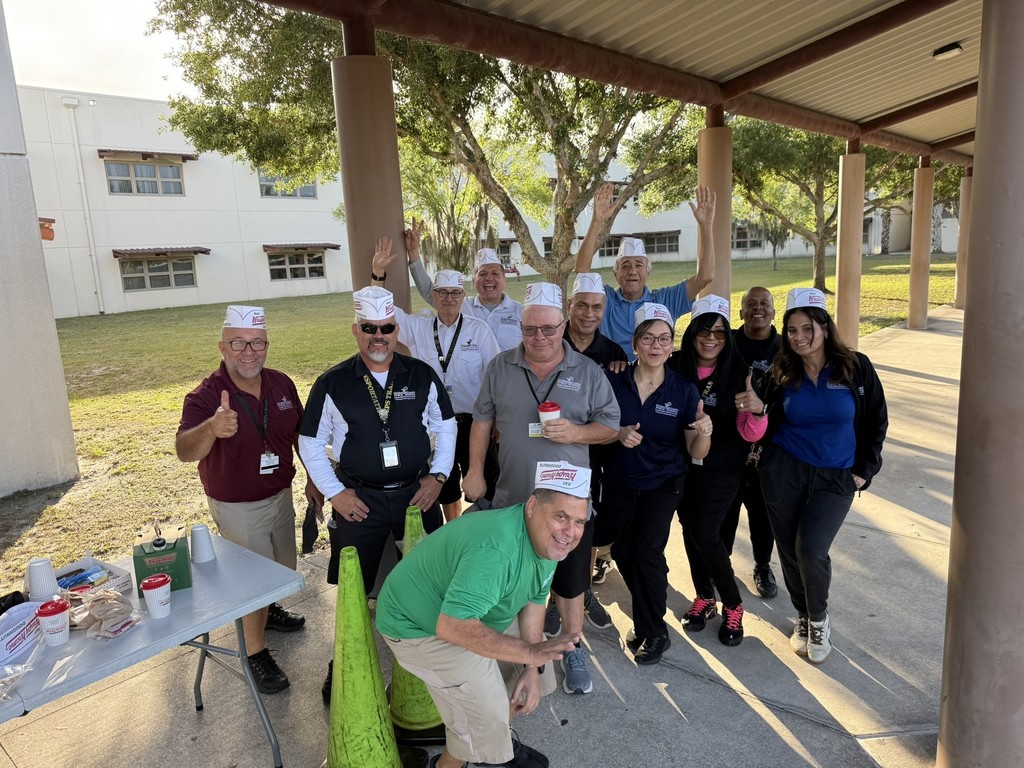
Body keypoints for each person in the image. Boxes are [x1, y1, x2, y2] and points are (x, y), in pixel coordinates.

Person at [376, 461, 591, 768]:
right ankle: (461, 757)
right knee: (483, 715)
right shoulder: (497, 550)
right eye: (561, 517)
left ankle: (494, 741)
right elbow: (453, 626)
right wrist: (530, 650)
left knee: (530, 678)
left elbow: (534, 597)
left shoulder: (548, 540)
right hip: (416, 626)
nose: (570, 532)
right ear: (532, 506)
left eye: (579, 522)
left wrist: (531, 662)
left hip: (465, 614)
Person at [298, 286, 457, 699]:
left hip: (415, 496)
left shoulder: (420, 374)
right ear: (356, 330)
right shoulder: (333, 382)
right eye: (369, 328)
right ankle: (345, 663)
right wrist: (335, 494)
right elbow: (310, 443)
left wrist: (438, 477)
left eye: (386, 328)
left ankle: (435, 656)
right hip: (359, 501)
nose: (378, 336)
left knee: (429, 579)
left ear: (395, 328)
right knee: (354, 586)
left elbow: (446, 425)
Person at [463, 282, 620, 696]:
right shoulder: (500, 366)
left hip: (566, 503)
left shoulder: (587, 372)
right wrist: (476, 470)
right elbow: (481, 421)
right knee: (508, 575)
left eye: (549, 329)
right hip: (513, 497)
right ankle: (509, 651)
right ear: (521, 326)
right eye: (531, 329)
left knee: (569, 582)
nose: (540, 338)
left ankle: (572, 647)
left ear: (563, 325)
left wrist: (576, 431)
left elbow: (611, 427)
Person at [176, 305, 320, 694]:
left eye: (257, 342)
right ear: (222, 346)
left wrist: (312, 477)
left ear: (267, 345)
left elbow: (300, 437)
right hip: (238, 505)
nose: (248, 351)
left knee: (283, 566)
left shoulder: (281, 384)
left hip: (279, 495)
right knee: (252, 582)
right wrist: (211, 427)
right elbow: (184, 450)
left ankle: (268, 611)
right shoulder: (206, 396)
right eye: (238, 343)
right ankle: (254, 652)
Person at [759, 288, 888, 664]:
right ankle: (802, 616)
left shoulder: (855, 367)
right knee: (788, 549)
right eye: (792, 330)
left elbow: (876, 420)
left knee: (812, 548)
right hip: (786, 470)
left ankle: (819, 618)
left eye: (807, 328)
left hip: (837, 475)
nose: (799, 337)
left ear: (825, 328)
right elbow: (764, 420)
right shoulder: (783, 371)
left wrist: (864, 472)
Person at [600, 303, 710, 664]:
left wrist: (704, 432)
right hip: (619, 481)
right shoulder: (613, 381)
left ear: (672, 345)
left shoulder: (683, 390)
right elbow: (594, 426)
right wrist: (617, 433)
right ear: (635, 344)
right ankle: (650, 615)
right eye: (648, 338)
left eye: (664, 339)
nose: (656, 345)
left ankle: (654, 629)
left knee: (647, 550)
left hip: (664, 483)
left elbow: (697, 450)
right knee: (621, 552)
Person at [370, 236, 501, 521]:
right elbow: (380, 312)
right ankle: (452, 533)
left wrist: (498, 420)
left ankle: (480, 532)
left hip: (473, 424)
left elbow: (497, 378)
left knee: (481, 485)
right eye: (443, 293)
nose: (449, 299)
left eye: (455, 293)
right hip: (433, 424)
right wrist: (377, 274)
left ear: (463, 296)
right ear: (435, 295)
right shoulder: (418, 326)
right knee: (444, 486)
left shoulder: (479, 331)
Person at [670, 295, 768, 647]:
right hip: (682, 464)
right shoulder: (675, 364)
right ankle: (704, 598)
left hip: (723, 466)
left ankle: (733, 603)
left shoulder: (739, 371)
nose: (712, 338)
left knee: (707, 532)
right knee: (689, 529)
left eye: (720, 333)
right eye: (705, 330)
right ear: (693, 331)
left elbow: (750, 432)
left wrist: (757, 411)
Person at [574, 183, 716, 360]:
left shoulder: (665, 300)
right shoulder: (604, 299)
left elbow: (705, 276)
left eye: (639, 265)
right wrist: (597, 221)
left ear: (648, 272)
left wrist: (706, 226)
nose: (632, 271)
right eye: (625, 265)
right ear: (615, 274)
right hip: (611, 377)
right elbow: (582, 272)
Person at [564, 272, 626, 607]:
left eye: (597, 307)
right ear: (570, 306)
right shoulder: (554, 340)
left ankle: (582, 588)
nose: (589, 313)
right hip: (556, 446)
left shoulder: (612, 351)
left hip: (596, 453)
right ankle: (547, 592)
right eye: (583, 306)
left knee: (586, 521)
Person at [722, 286, 780, 598]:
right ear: (741, 311)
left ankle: (762, 565)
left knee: (761, 513)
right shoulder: (726, 343)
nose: (758, 308)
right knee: (726, 509)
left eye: (764, 304)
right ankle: (722, 564)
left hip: (767, 449)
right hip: (729, 446)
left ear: (773, 310)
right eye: (750, 304)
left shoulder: (785, 350)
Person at [407, 219, 523, 351]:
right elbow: (429, 291)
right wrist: (413, 253)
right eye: (483, 274)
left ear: (504, 279)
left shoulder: (521, 312)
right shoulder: (460, 304)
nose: (489, 278)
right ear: (474, 281)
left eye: (495, 273)